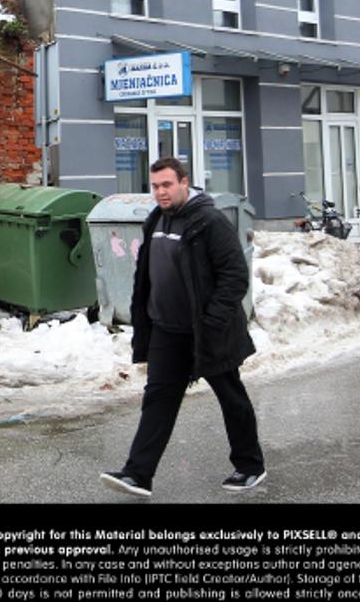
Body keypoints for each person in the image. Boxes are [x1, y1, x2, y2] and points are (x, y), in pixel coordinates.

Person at [100, 157, 265, 498]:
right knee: (158, 398)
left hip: (206, 330)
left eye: (167, 185)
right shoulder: (157, 220)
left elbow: (235, 276)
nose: (160, 191)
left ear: (184, 183)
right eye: (155, 186)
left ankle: (250, 465)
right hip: (166, 330)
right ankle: (138, 474)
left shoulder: (209, 221)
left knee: (230, 396)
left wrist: (213, 320)